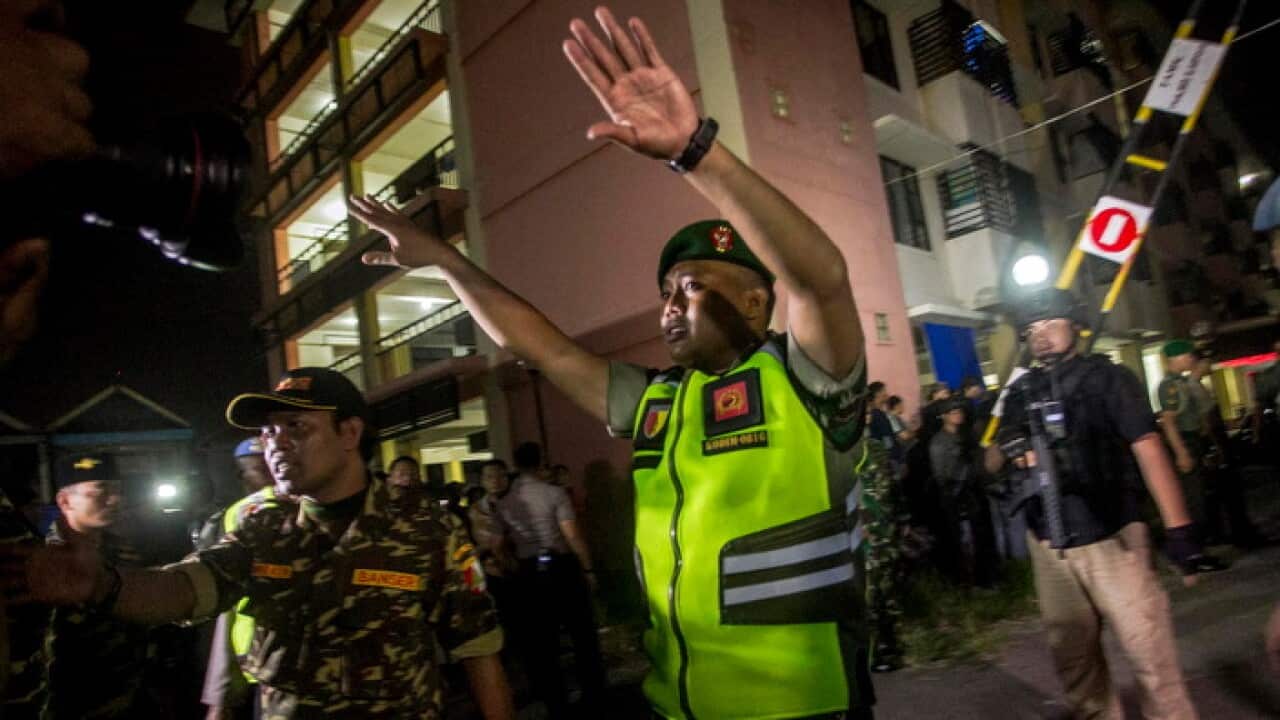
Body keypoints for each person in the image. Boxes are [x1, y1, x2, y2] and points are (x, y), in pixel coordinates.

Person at [345, 7, 876, 717]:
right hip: (675, 706)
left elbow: (822, 279)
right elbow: (543, 347)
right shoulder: (656, 402)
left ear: (755, 305)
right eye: (663, 291)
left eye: (692, 286)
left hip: (806, 709)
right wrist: (446, 262)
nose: (669, 305)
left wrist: (695, 152)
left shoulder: (807, 377)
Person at [4, 368, 515, 719]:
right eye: (269, 430)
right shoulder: (260, 525)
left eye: (296, 426)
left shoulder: (428, 528)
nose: (276, 443)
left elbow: (478, 652)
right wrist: (100, 586)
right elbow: (186, 588)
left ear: (349, 432)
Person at [985, 288, 1210, 720]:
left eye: (1050, 323)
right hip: (1050, 544)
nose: (1041, 336)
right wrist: (1007, 442)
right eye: (1032, 329)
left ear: (1076, 325)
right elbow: (991, 460)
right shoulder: (1020, 391)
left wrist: (1179, 530)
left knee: (1152, 659)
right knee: (1076, 667)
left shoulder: (1107, 378)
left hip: (1113, 534)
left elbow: (1147, 446)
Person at [491, 442, 604, 715]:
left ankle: (556, 701)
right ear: (540, 461)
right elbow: (572, 536)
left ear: (515, 464)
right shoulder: (554, 494)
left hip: (528, 571)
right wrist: (588, 570)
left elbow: (496, 544)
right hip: (560, 566)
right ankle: (594, 695)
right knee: (582, 633)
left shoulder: (504, 502)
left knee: (542, 640)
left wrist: (512, 566)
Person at [46, 453, 153, 719]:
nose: (115, 500)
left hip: (131, 695)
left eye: (117, 490)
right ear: (65, 501)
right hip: (71, 703)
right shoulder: (45, 561)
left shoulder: (125, 550)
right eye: (100, 491)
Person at [198, 438, 277, 720]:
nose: (268, 475)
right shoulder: (238, 514)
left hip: (279, 657)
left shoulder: (302, 504)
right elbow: (224, 608)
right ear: (241, 475)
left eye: (269, 465)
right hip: (253, 656)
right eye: (258, 469)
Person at [929, 398, 983, 584]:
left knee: (975, 538)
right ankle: (965, 579)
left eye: (959, 411)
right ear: (944, 416)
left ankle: (977, 576)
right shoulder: (938, 442)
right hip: (953, 497)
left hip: (970, 494)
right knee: (961, 540)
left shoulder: (966, 436)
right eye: (953, 412)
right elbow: (940, 475)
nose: (958, 415)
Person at [1158, 339, 1207, 527]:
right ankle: (1198, 544)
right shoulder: (1169, 385)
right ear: (1175, 358)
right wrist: (1181, 453)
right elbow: (1168, 422)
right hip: (1185, 440)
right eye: (1188, 355)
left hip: (1194, 438)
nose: (1192, 358)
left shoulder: (1183, 381)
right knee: (1193, 495)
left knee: (1201, 492)